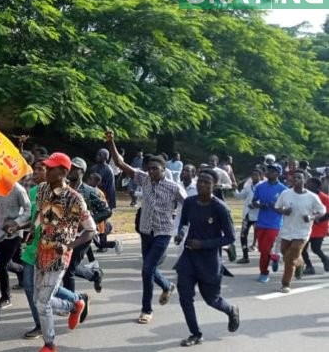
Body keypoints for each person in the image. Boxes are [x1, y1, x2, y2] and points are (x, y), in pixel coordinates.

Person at [106, 130, 186, 324]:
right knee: (148, 268)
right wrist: (111, 142)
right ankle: (167, 286)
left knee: (146, 269)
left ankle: (146, 310)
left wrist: (183, 227)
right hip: (145, 230)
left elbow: (189, 205)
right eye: (149, 168)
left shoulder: (174, 187)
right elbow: (120, 164)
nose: (151, 172)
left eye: (155, 169)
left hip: (163, 232)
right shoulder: (144, 179)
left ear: (164, 169)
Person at [30, 152, 93, 352]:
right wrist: (23, 226)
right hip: (40, 253)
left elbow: (90, 230)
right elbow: (41, 215)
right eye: (46, 167)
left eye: (50, 168)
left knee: (42, 303)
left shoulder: (75, 199)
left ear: (63, 172)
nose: (46, 171)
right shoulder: (42, 190)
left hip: (59, 257)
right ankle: (75, 305)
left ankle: (49, 345)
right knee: (37, 299)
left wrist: (68, 246)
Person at [173, 168, 240, 347]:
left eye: (207, 182)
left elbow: (230, 237)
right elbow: (184, 221)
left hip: (209, 261)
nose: (202, 185)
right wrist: (180, 233)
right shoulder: (189, 202)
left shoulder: (220, 208)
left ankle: (231, 310)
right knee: (185, 297)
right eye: (200, 181)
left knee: (212, 300)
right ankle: (195, 334)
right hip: (188, 258)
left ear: (215, 186)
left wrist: (203, 244)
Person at [273, 170, 325, 293]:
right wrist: (284, 211)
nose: (296, 180)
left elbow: (322, 211)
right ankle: (300, 263)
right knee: (285, 253)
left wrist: (311, 217)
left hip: (302, 232)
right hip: (287, 230)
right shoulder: (285, 194)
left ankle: (285, 284)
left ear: (305, 180)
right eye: (294, 177)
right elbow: (277, 207)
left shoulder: (312, 197)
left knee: (290, 258)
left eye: (299, 178)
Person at [64, 157, 107, 293]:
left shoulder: (90, 191)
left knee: (69, 268)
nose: (70, 170)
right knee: (65, 266)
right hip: (66, 233)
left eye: (75, 168)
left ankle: (71, 303)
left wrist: (88, 221)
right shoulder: (63, 188)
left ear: (82, 171)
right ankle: (95, 275)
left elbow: (106, 211)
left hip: (84, 235)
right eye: (69, 167)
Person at [0, 181, 31, 307]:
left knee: (0, 266)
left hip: (13, 234)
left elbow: (28, 210)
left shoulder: (18, 190)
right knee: (10, 262)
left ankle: (6, 297)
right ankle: (23, 271)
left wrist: (15, 223)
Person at [251, 164, 289, 283]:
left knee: (265, 249)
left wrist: (275, 207)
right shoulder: (260, 187)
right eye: (268, 170)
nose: (269, 173)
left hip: (275, 223)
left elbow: (287, 209)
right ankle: (275, 257)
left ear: (278, 174)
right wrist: (258, 205)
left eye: (273, 171)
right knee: (263, 249)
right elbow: (254, 201)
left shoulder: (283, 189)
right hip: (261, 222)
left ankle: (264, 273)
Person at [234, 169, 263, 264]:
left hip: (259, 215)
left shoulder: (263, 187)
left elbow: (265, 199)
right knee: (243, 236)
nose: (254, 177)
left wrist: (256, 204)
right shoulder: (248, 186)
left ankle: (265, 255)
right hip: (247, 215)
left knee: (261, 237)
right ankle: (245, 256)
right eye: (253, 175)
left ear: (260, 176)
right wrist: (235, 189)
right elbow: (240, 196)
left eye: (256, 175)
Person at [302, 177, 329, 275]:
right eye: (308, 183)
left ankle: (325, 259)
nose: (308, 185)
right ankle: (309, 266)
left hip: (319, 227)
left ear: (317, 186)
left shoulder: (325, 198)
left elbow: (327, 213)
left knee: (316, 248)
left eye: (311, 184)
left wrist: (318, 220)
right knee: (302, 248)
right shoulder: (306, 196)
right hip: (306, 226)